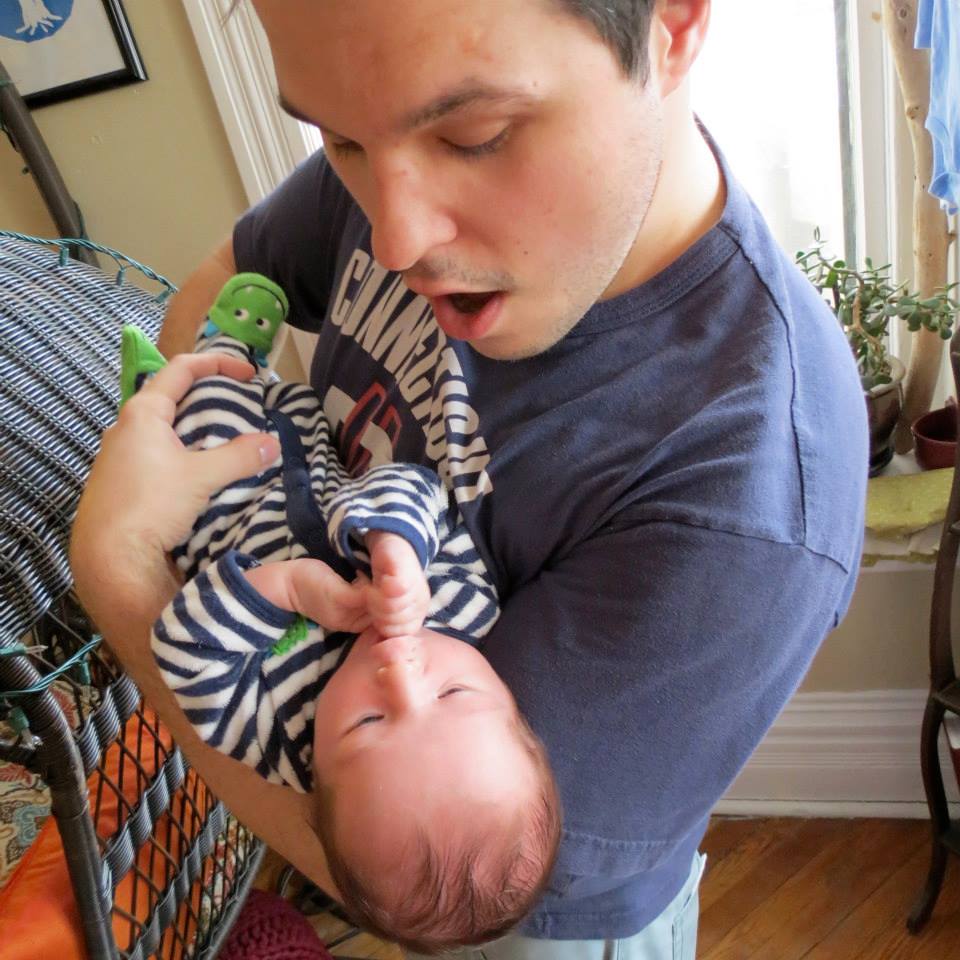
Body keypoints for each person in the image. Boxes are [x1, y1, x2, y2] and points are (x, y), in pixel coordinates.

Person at [70, 1, 869, 958]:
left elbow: (436, 889)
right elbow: (236, 264)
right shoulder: (392, 132)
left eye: (475, 135)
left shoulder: (744, 501)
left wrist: (122, 572)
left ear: (673, 20)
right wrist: (186, 417)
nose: (395, 239)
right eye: (339, 140)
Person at [139, 276, 560, 951]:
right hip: (315, 456)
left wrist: (288, 591)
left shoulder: (277, 736)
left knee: (204, 405)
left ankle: (210, 359)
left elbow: (184, 649)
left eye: (369, 722)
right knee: (287, 402)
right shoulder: (462, 608)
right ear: (508, 693)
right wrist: (397, 546)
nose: (401, 673)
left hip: (219, 498)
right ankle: (246, 366)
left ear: (315, 786)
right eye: (454, 693)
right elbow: (421, 489)